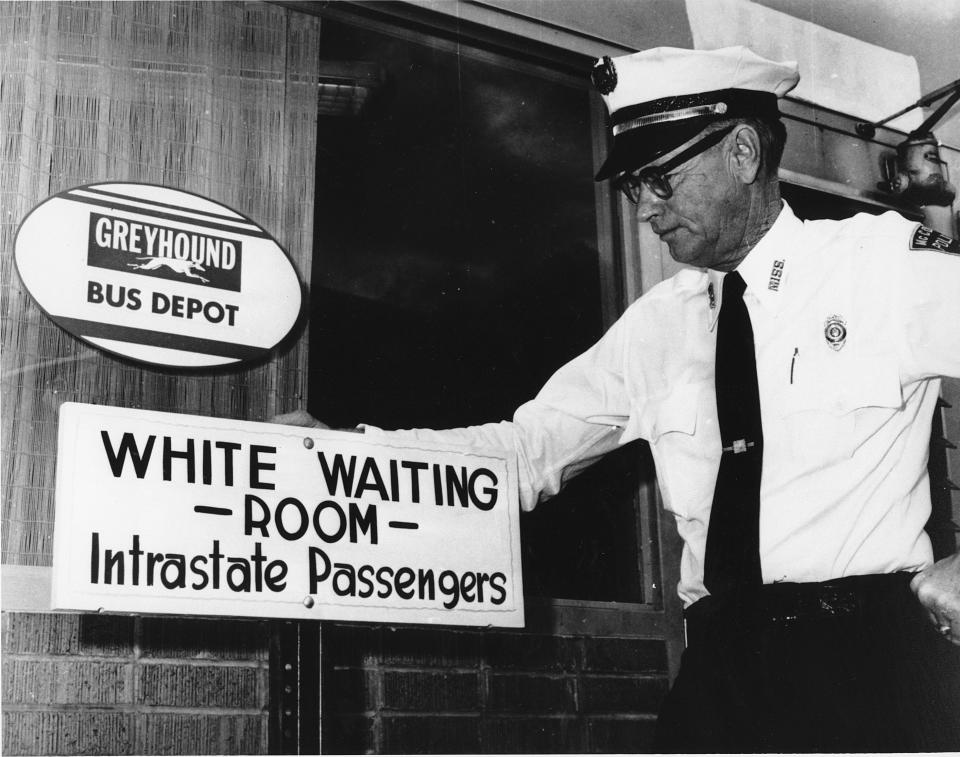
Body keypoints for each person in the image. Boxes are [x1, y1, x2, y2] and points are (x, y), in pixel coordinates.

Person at [278, 46, 960, 752]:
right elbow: (526, 451)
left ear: (744, 152)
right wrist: (347, 456)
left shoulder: (876, 266)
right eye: (636, 187)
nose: (644, 212)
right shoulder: (657, 327)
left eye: (661, 181)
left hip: (867, 662)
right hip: (723, 670)